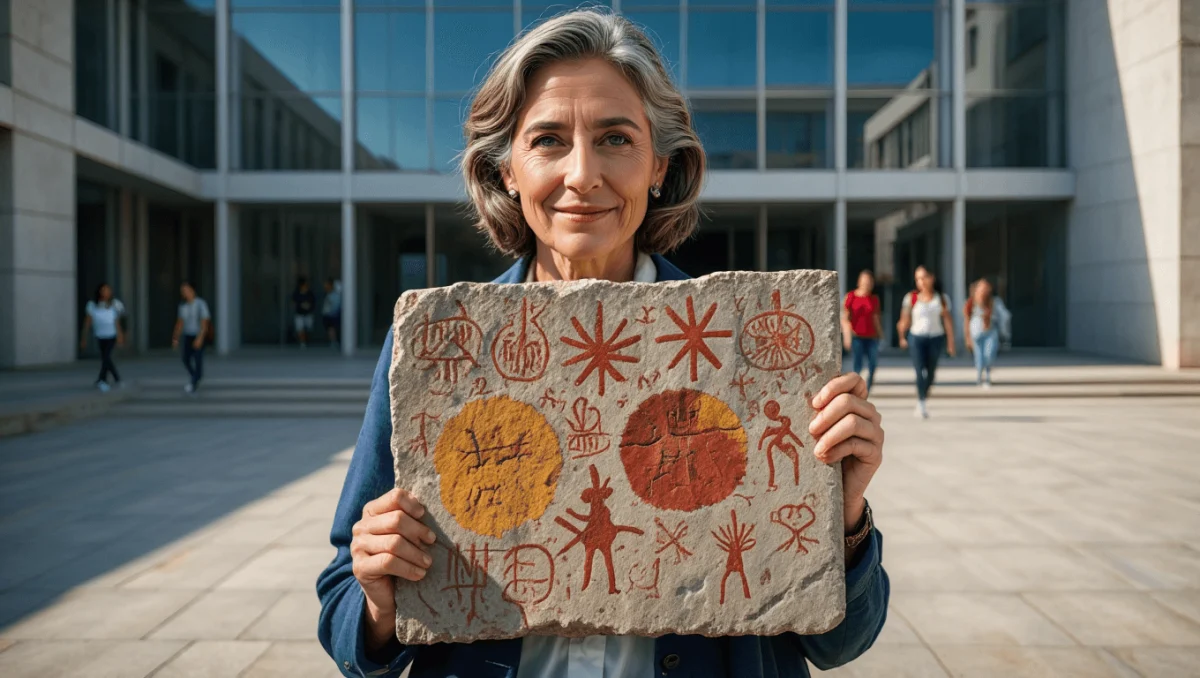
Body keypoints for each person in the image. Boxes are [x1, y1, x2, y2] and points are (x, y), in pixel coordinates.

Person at [317, 10, 888, 678]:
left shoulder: (751, 353)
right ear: (507, 171)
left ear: (659, 166)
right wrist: (379, 600)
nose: (583, 174)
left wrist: (841, 520)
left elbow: (837, 644)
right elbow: (342, 615)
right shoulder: (438, 350)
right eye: (549, 140)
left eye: (615, 138)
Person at [896, 265, 955, 419]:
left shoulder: (941, 299)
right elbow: (904, 320)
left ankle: (923, 394)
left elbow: (948, 322)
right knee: (919, 370)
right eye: (917, 279)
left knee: (931, 372)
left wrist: (951, 343)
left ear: (931, 278)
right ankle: (921, 402)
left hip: (936, 338)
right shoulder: (911, 298)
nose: (921, 282)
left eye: (923, 278)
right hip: (917, 338)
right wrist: (902, 336)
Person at [841, 270, 883, 393]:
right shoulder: (851, 297)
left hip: (872, 337)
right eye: (865, 281)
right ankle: (854, 389)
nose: (867, 284)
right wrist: (847, 337)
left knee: (872, 365)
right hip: (856, 336)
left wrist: (881, 335)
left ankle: (866, 390)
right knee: (857, 366)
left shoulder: (874, 299)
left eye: (870, 281)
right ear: (859, 282)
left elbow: (876, 318)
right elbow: (845, 319)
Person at [964, 277, 1011, 388]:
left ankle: (988, 372)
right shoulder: (971, 303)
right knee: (979, 356)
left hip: (990, 331)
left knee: (989, 354)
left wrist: (1004, 330)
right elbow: (966, 320)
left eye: (986, 287)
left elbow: (1004, 316)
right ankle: (980, 375)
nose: (984, 290)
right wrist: (967, 337)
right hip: (976, 332)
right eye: (981, 287)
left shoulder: (994, 302)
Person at [80, 282, 126, 392]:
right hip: (100, 335)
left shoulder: (115, 304)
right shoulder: (92, 305)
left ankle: (102, 380)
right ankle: (115, 378)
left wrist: (120, 335)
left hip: (111, 335)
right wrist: (84, 338)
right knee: (106, 358)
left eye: (108, 290)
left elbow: (117, 321)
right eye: (104, 290)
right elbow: (87, 322)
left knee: (106, 357)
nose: (106, 292)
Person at [171, 281, 210, 394]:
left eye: (187, 290)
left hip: (199, 335)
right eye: (183, 291)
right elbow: (180, 323)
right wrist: (175, 338)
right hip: (188, 335)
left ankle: (193, 382)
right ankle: (196, 376)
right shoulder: (183, 306)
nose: (185, 293)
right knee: (185, 359)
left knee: (198, 358)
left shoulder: (200, 304)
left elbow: (204, 323)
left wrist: (200, 338)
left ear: (192, 290)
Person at [293, 276, 317, 348]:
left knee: (308, 328)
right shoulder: (297, 293)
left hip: (308, 314)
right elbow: (294, 302)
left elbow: (313, 303)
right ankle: (302, 342)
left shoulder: (310, 294)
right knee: (300, 328)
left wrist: (308, 306)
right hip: (299, 314)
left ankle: (305, 341)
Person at [322, 278, 343, 350]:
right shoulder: (329, 294)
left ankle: (334, 342)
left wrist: (331, 313)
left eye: (326, 285)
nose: (325, 286)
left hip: (332, 315)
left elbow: (336, 306)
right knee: (330, 329)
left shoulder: (335, 295)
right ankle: (333, 342)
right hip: (328, 315)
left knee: (332, 329)